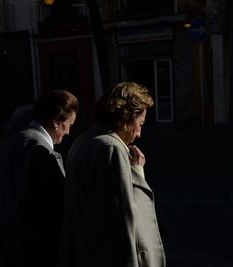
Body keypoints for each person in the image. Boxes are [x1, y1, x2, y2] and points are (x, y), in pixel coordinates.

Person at [59, 82, 166, 267]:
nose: (139, 133)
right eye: (139, 124)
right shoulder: (111, 148)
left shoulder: (84, 140)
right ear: (125, 119)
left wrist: (134, 169)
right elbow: (121, 220)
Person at [0, 89, 79, 267]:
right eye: (69, 124)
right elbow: (57, 209)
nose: (69, 132)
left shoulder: (8, 143)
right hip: (30, 252)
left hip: (0, 247)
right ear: (56, 122)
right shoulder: (41, 152)